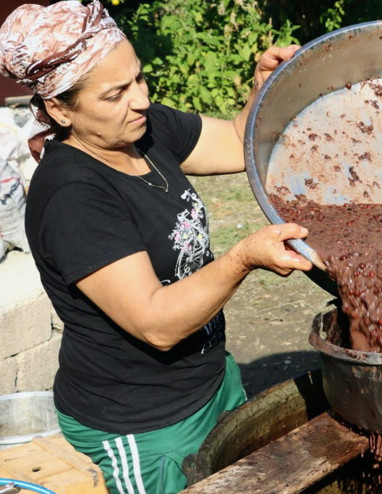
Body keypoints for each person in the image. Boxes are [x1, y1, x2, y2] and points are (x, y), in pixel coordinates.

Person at [0, 2, 312, 492]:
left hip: (209, 378)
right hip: (141, 421)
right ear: (59, 109)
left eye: (139, 79)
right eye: (115, 94)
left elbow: (235, 142)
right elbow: (156, 323)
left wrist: (261, 89)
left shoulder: (142, 130)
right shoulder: (72, 196)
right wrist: (244, 257)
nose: (140, 99)